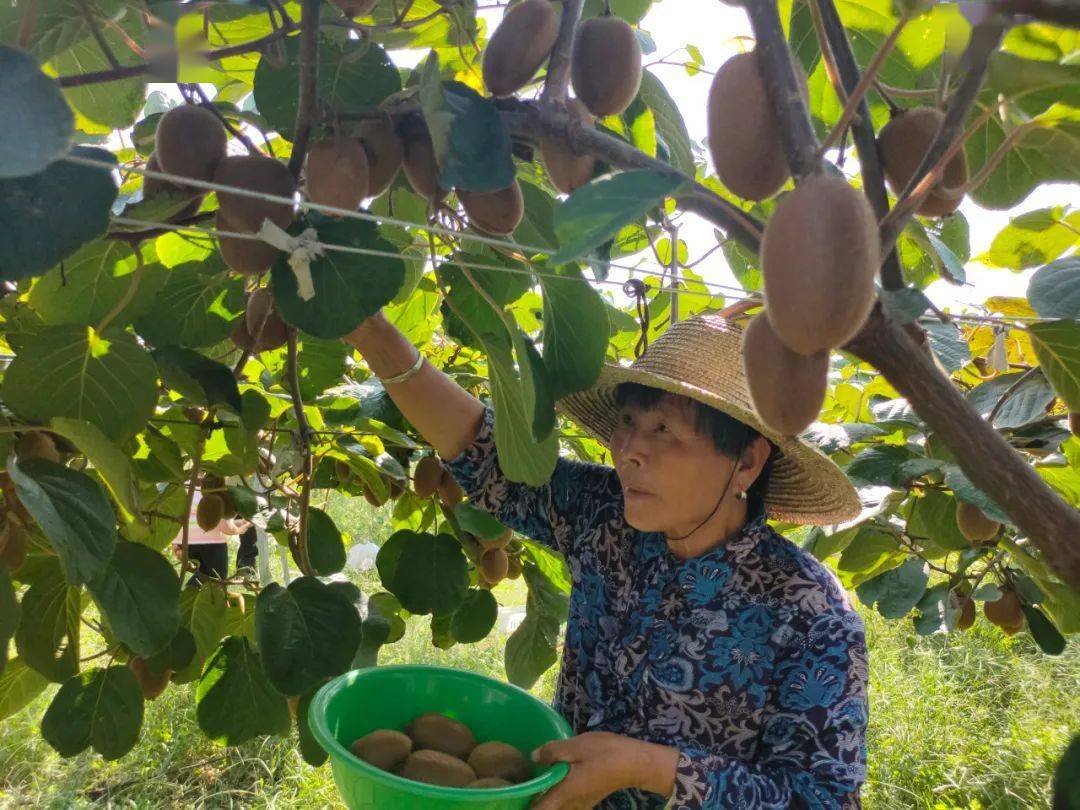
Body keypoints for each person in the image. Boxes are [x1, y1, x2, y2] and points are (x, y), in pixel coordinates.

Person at [345, 311, 868, 808]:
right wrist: (371, 331)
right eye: (628, 421)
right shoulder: (605, 517)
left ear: (747, 462)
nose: (627, 449)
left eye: (663, 429)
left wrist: (647, 767)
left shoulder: (811, 616)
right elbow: (480, 449)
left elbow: (821, 799)